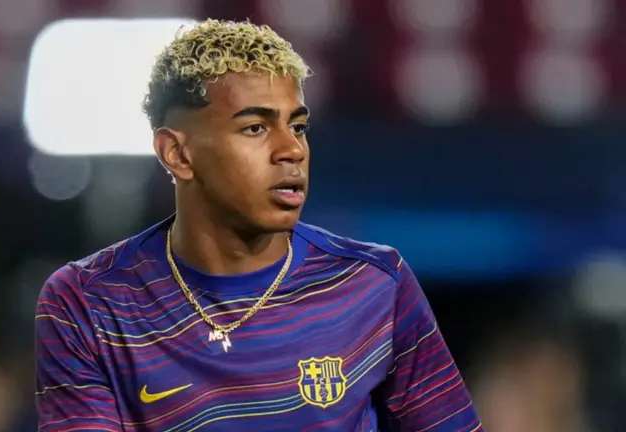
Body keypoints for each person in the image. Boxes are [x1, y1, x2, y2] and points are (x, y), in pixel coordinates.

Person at [35, 19, 482, 431]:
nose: (292, 150)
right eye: (255, 128)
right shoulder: (88, 302)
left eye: (298, 127)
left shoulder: (375, 285)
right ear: (178, 154)